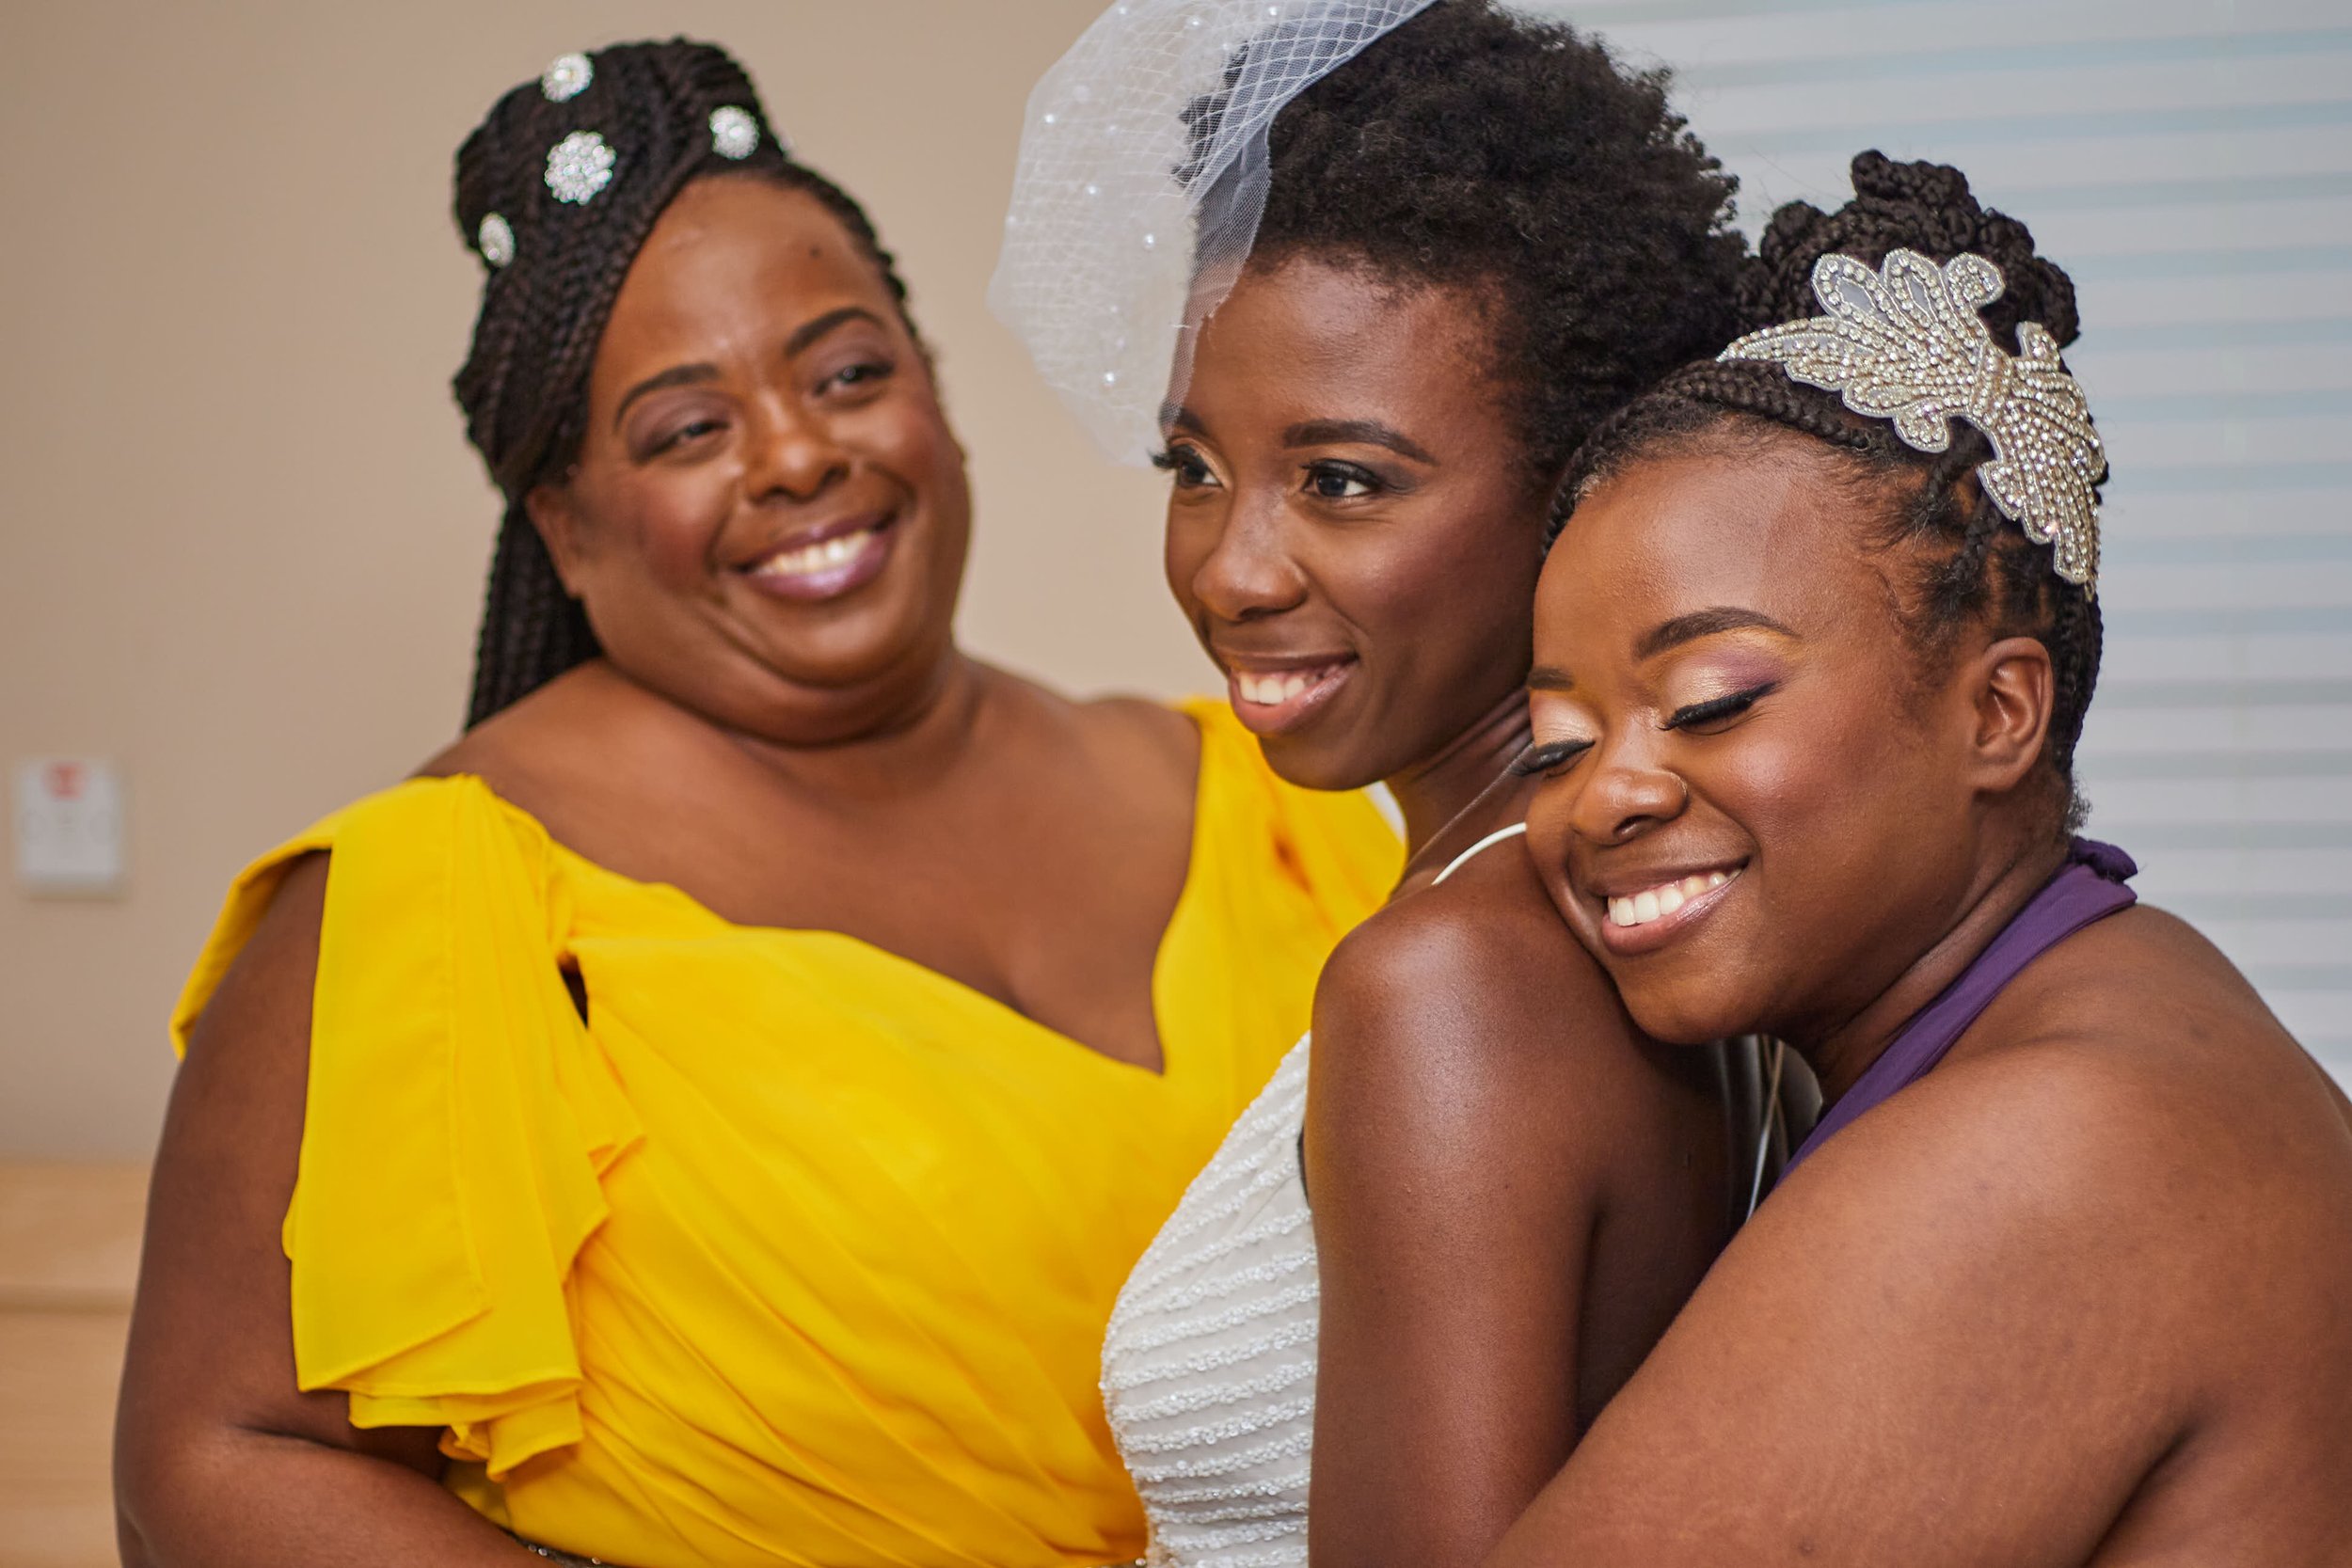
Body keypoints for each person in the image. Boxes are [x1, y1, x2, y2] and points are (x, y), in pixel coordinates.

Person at [113, 40, 1399, 1568]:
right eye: (687, 430)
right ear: (566, 527)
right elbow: (214, 1466)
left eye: (848, 373)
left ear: (934, 393)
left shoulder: (1261, 788)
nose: (797, 454)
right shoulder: (442, 895)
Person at [1489, 152, 2352, 1566]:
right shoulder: (2136, 996)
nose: (1606, 797)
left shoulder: (2039, 1150)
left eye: (1710, 701)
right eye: (1556, 743)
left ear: (1998, 712)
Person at [995, 7, 1772, 1564]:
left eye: (1341, 481)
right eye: (1193, 468)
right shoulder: (1646, 902)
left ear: (1581, 490)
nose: (1233, 569)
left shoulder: (1452, 981)